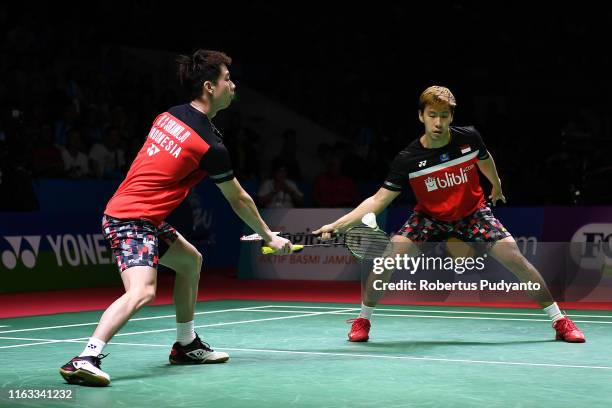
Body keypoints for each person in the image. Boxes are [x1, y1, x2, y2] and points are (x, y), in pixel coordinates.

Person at [59, 49, 292, 387]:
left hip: (140, 215)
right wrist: (270, 236)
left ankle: (186, 344)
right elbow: (238, 198)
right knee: (142, 291)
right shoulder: (210, 146)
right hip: (131, 219)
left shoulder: (169, 115)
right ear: (210, 87)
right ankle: (86, 356)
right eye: (228, 79)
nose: (233, 85)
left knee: (189, 261)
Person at [314, 86, 585, 344]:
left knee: (516, 259)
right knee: (386, 262)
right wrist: (338, 224)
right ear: (421, 116)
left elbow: (484, 158)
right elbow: (378, 200)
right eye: (432, 115)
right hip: (429, 217)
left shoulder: (468, 138)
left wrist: (496, 185)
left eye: (444, 116)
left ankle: (559, 321)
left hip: (472, 212)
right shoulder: (408, 158)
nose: (438, 122)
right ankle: (363, 320)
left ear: (451, 116)